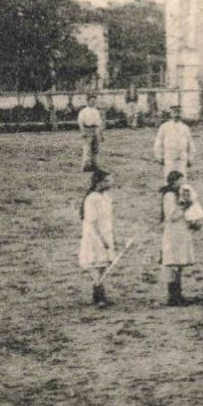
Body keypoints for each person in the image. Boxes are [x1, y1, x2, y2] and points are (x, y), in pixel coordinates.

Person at [160, 173, 203, 306]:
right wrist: (185, 206)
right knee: (173, 263)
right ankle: (172, 296)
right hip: (173, 233)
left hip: (181, 231)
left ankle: (178, 294)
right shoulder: (169, 196)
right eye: (180, 181)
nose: (183, 184)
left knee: (179, 264)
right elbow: (171, 216)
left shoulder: (179, 194)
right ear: (174, 182)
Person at [78, 169, 116, 306]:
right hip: (94, 235)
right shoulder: (92, 198)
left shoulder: (106, 197)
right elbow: (91, 222)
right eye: (108, 180)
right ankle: (99, 295)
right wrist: (101, 239)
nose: (111, 183)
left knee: (103, 265)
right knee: (94, 264)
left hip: (105, 233)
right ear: (100, 183)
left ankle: (98, 294)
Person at [153, 107, 194, 180]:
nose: (176, 115)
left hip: (182, 156)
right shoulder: (164, 127)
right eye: (174, 112)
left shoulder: (185, 127)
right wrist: (159, 156)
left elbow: (190, 143)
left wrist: (190, 158)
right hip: (169, 156)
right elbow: (158, 143)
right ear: (171, 114)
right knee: (169, 177)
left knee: (182, 177)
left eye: (178, 112)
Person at [77, 94, 105, 172]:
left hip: (95, 130)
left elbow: (99, 123)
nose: (93, 103)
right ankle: (86, 165)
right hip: (87, 129)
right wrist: (83, 131)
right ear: (88, 101)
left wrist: (101, 134)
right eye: (91, 101)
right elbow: (80, 122)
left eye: (94, 101)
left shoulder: (96, 111)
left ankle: (94, 164)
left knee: (95, 148)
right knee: (87, 148)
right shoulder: (83, 111)